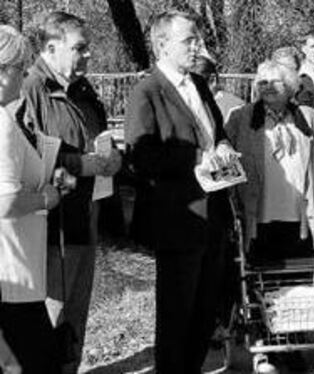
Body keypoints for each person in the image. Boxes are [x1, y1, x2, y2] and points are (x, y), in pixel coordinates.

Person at [124, 10, 234, 373]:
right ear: (162, 44)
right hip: (179, 220)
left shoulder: (199, 85)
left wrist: (223, 148)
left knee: (205, 312)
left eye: (197, 39)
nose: (197, 47)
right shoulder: (147, 91)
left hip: (214, 215)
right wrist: (197, 156)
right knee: (176, 315)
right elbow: (142, 155)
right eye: (189, 40)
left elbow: (215, 132)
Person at [21, 11, 122, 374]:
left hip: (85, 217)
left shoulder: (83, 90)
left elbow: (98, 141)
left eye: (89, 48)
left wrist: (112, 159)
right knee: (51, 314)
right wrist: (83, 165)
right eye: (80, 48)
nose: (89, 55)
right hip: (47, 228)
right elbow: (26, 158)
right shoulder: (29, 89)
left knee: (76, 315)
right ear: (51, 47)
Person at [224, 60, 314, 261]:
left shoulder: (310, 117)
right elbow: (227, 165)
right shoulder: (240, 117)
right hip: (256, 216)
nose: (268, 87)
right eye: (262, 82)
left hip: (299, 217)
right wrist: (233, 207)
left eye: (275, 82)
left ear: (290, 86)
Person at [0, 24, 60, 374]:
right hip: (13, 272)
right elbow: (5, 201)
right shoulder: (3, 124)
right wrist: (46, 198)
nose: (24, 79)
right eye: (20, 70)